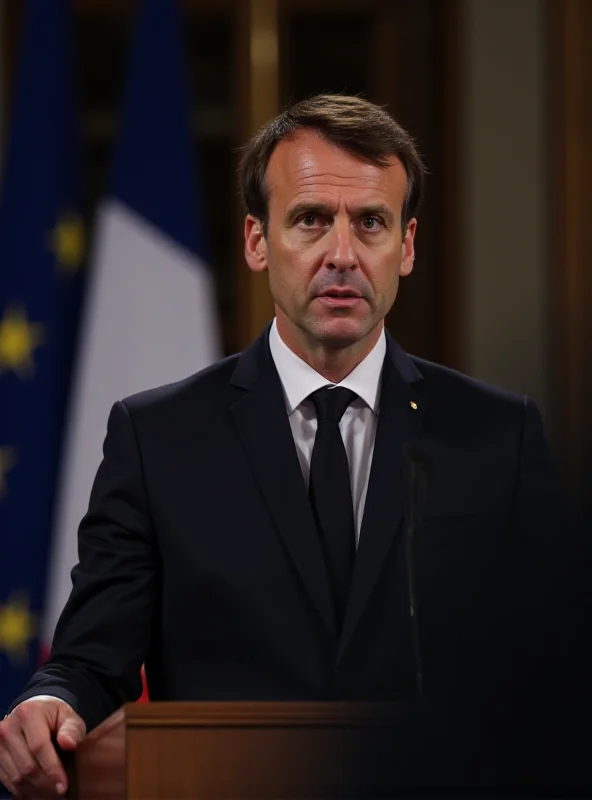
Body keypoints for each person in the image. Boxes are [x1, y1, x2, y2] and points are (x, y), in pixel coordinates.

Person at [0, 94, 568, 797]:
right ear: (257, 241)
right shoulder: (159, 439)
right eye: (310, 220)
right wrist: (47, 703)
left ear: (408, 246)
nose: (342, 254)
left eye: (370, 223)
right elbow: (91, 658)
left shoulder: (497, 435)